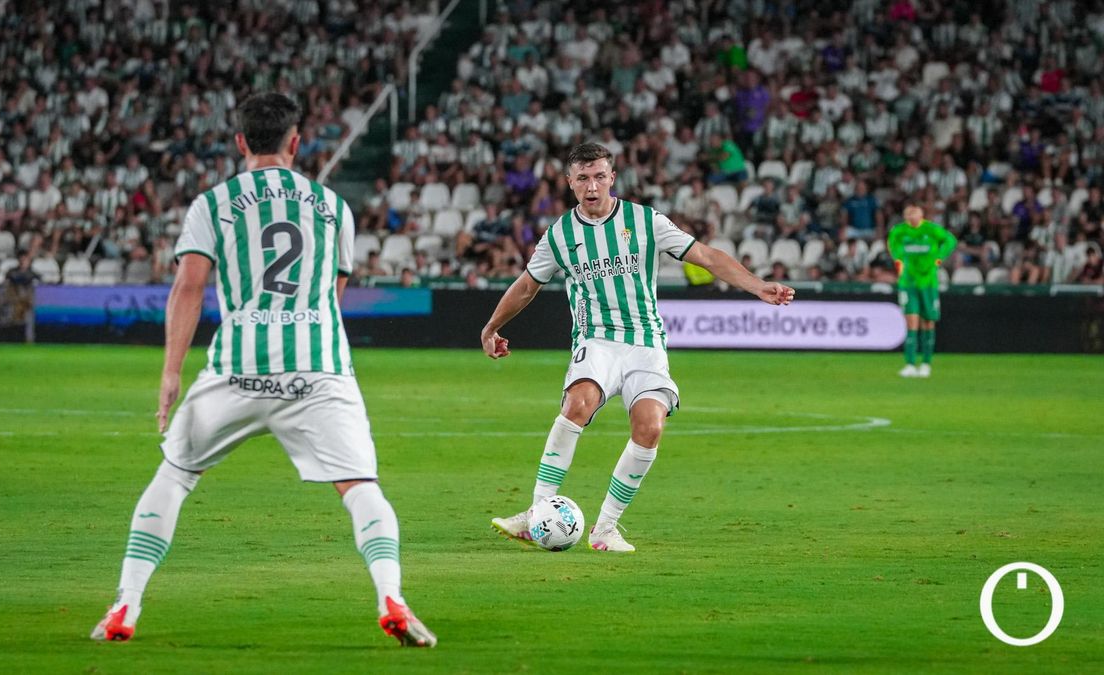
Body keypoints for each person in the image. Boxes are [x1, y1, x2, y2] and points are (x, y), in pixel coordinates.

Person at [91, 93, 435, 647]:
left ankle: (125, 606)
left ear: (241, 142)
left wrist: (171, 374)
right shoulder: (333, 206)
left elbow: (189, 287)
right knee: (361, 488)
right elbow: (334, 292)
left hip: (237, 367)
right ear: (296, 142)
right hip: (318, 368)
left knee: (174, 477)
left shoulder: (213, 203)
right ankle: (390, 595)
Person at [480, 143, 794, 553]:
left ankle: (605, 528)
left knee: (650, 427)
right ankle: (537, 512)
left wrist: (758, 285)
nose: (591, 187)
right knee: (578, 404)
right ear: (570, 183)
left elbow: (705, 256)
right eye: (582, 179)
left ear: (612, 178)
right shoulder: (559, 235)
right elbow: (526, 285)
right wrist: (491, 327)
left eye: (598, 177)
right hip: (597, 340)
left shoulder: (645, 221)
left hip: (646, 342)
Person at [887, 205, 957, 378]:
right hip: (908, 283)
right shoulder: (900, 231)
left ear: (921, 214)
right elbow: (892, 245)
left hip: (928, 283)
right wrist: (898, 261)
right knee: (911, 322)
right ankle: (910, 363)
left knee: (928, 321)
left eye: (914, 213)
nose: (911, 216)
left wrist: (939, 258)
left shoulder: (931, 229)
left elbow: (950, 240)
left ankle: (926, 363)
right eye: (908, 214)